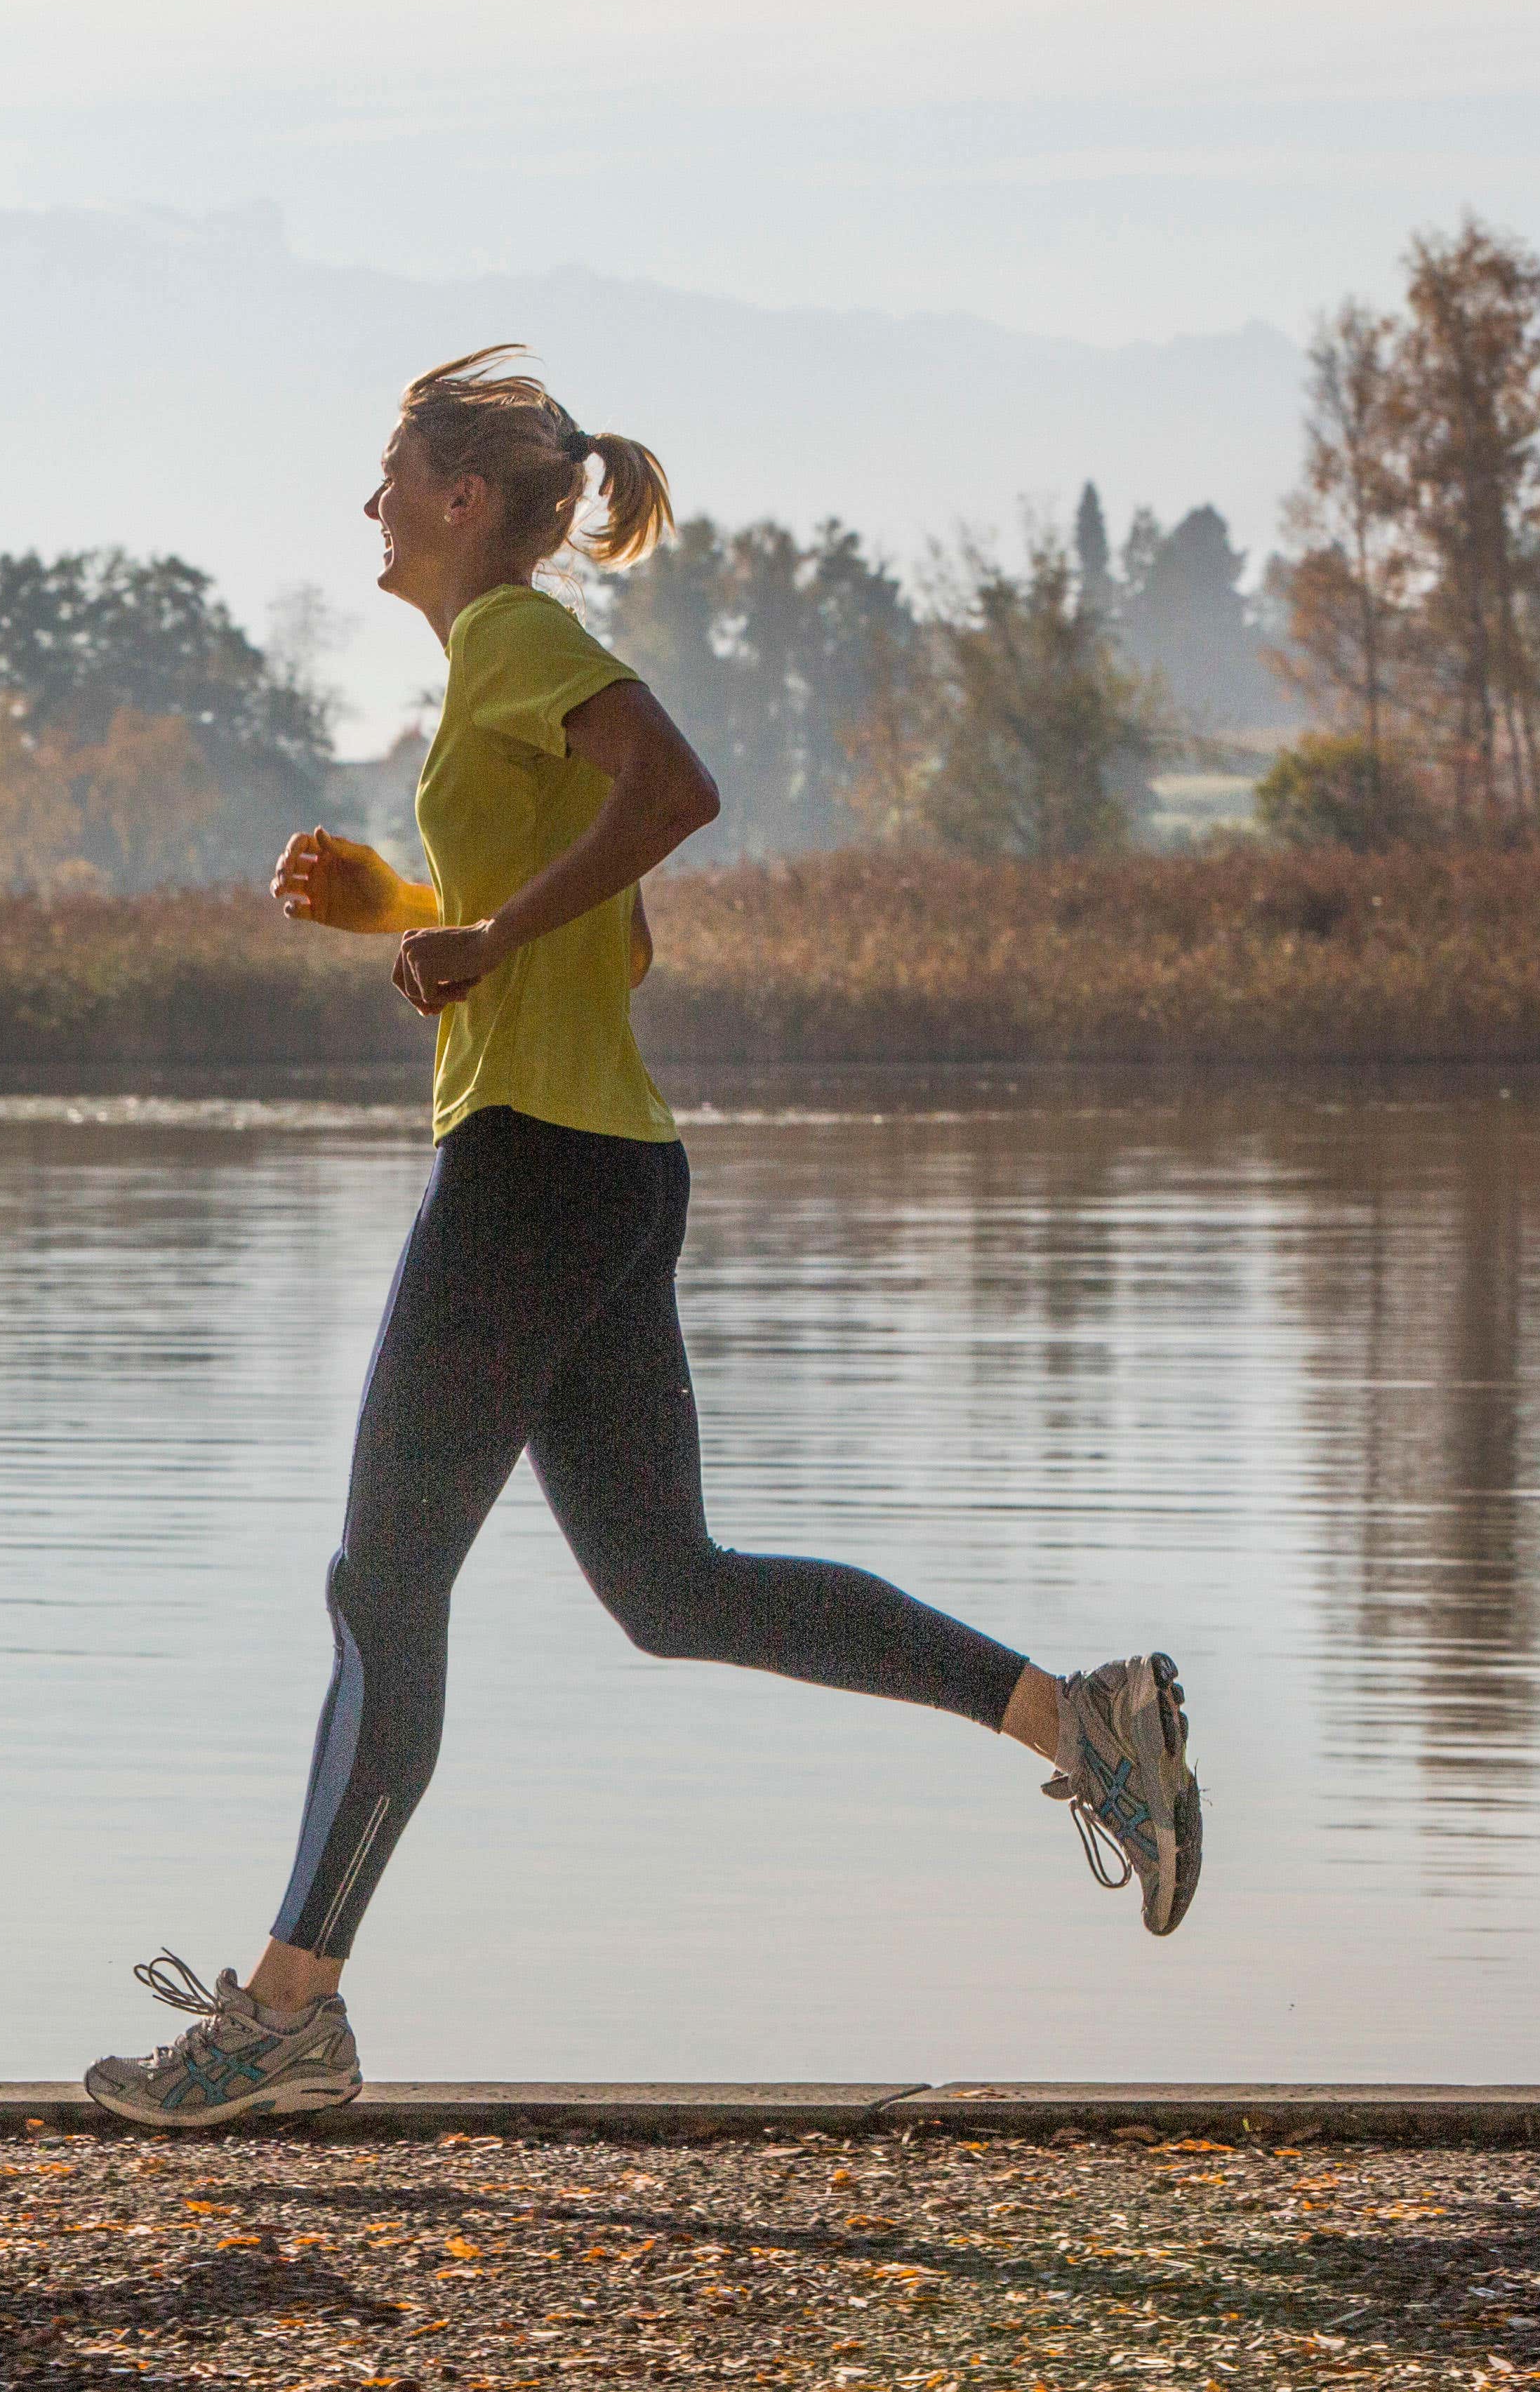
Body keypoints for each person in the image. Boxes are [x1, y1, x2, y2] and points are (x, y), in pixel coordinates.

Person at [81, 354, 1203, 2130]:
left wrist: (483, 932)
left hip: (533, 1177)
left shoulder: (515, 641)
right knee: (671, 1591)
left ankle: (288, 2009)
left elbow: (672, 792)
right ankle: (1085, 1722)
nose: (365, 511)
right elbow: (626, 950)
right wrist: (423, 915)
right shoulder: (491, 679)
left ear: (460, 501)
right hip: (597, 1167)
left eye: (387, 479)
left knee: (385, 1588)